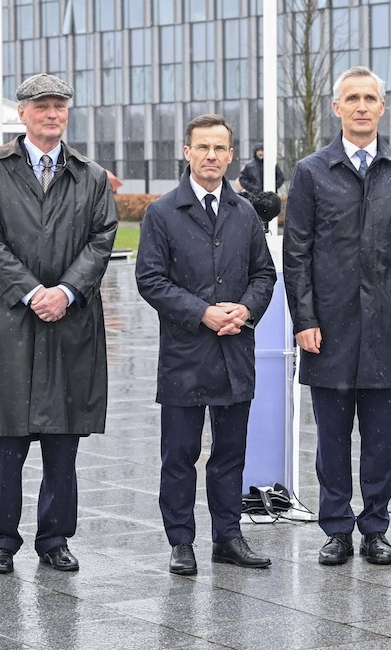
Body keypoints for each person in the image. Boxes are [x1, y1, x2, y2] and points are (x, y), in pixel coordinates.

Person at [0, 73, 118, 575]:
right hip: (7, 317)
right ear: (21, 114)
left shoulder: (89, 175)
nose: (53, 115)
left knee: (62, 436)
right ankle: (1, 539)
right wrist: (32, 292)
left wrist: (66, 291)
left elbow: (102, 236)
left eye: (60, 106)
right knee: (6, 433)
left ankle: (54, 538)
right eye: (42, 106)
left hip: (69, 319)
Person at [283, 65, 391, 567]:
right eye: (353, 98)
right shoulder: (310, 172)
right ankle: (337, 529)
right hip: (327, 328)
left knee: (381, 438)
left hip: (389, 328)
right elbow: (297, 252)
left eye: (371, 97)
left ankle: (375, 527)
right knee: (331, 438)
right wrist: (303, 318)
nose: (362, 106)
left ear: (383, 108)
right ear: (337, 107)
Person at [135, 114, 278, 576]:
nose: (211, 156)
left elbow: (264, 274)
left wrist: (246, 309)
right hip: (185, 353)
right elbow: (150, 280)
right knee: (179, 454)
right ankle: (181, 540)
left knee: (230, 453)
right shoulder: (162, 214)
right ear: (187, 152)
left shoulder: (245, 213)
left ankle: (228, 536)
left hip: (235, 349)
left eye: (220, 148)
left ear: (231, 154)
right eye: (203, 148)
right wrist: (202, 312)